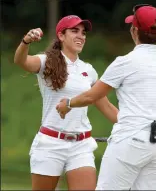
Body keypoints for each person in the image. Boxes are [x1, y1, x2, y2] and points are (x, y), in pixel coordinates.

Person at [56, 5, 156, 190]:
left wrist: (68, 103)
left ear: (135, 30)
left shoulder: (125, 62)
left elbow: (93, 96)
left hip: (131, 142)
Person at [14, 15, 118, 190]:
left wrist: (135, 124)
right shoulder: (46, 61)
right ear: (61, 36)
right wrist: (26, 42)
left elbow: (106, 106)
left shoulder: (88, 70)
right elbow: (21, 61)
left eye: (83, 33)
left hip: (81, 145)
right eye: (74, 31)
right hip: (50, 144)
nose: (81, 36)